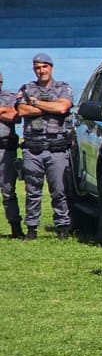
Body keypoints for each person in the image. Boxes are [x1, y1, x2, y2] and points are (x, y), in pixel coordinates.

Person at [16, 52, 74, 239]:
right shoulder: (26, 88)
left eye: (44, 67)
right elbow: (22, 109)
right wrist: (48, 106)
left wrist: (36, 103)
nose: (41, 71)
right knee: (32, 192)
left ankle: (62, 228)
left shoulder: (63, 88)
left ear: (51, 67)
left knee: (59, 191)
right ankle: (32, 229)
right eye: (37, 68)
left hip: (57, 149)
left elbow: (63, 107)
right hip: (33, 149)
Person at [0, 70, 21, 238]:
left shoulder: (10, 97)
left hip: (5, 149)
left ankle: (15, 228)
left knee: (8, 190)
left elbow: (16, 116)